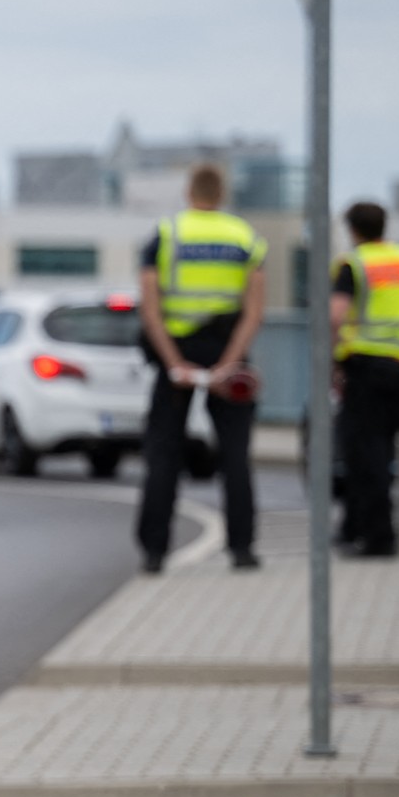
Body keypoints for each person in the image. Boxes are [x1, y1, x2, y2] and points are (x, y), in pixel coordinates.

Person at [137, 163, 268, 573]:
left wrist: (174, 364)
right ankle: (242, 549)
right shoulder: (246, 238)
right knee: (235, 456)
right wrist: (229, 365)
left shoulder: (166, 234)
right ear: (222, 192)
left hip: (177, 348)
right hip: (227, 346)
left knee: (163, 454)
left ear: (189, 191)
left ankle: (154, 552)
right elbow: (255, 311)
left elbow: (150, 309)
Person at [331, 201, 399, 558]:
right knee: (383, 450)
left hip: (369, 367)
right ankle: (353, 526)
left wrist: (334, 360)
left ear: (353, 229)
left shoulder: (355, 263)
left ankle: (378, 538)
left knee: (364, 454)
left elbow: (336, 315)